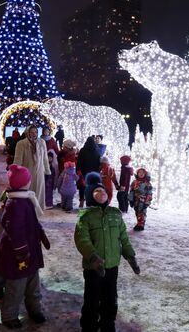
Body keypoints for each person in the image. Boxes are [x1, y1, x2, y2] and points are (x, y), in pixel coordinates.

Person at [74, 172, 140, 332]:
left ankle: (108, 324)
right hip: (93, 269)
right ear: (90, 196)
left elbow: (123, 238)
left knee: (110, 298)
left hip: (111, 267)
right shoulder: (85, 218)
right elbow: (82, 240)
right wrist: (93, 258)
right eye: (97, 192)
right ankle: (89, 326)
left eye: (103, 191)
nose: (101, 194)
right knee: (92, 299)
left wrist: (130, 255)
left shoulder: (115, 215)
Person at [0, 164, 50, 328]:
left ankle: (34, 309)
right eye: (28, 180)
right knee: (16, 286)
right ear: (23, 183)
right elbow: (15, 231)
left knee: (33, 283)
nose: (30, 182)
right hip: (18, 256)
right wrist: (21, 252)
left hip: (31, 251)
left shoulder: (24, 199)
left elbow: (32, 222)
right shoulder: (15, 204)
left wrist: (40, 233)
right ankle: (9, 316)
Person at [14, 126, 51, 210]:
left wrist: (47, 170)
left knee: (39, 192)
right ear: (27, 133)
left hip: (40, 172)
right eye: (32, 132)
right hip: (27, 173)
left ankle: (37, 211)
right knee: (28, 194)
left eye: (36, 132)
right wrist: (16, 173)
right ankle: (28, 212)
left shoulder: (42, 142)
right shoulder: (21, 144)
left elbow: (45, 158)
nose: (34, 134)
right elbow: (18, 159)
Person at [77, 136, 101, 208]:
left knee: (82, 187)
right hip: (93, 173)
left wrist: (78, 170)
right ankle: (90, 202)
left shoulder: (83, 150)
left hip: (84, 172)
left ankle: (81, 201)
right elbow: (98, 162)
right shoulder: (96, 151)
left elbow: (79, 161)